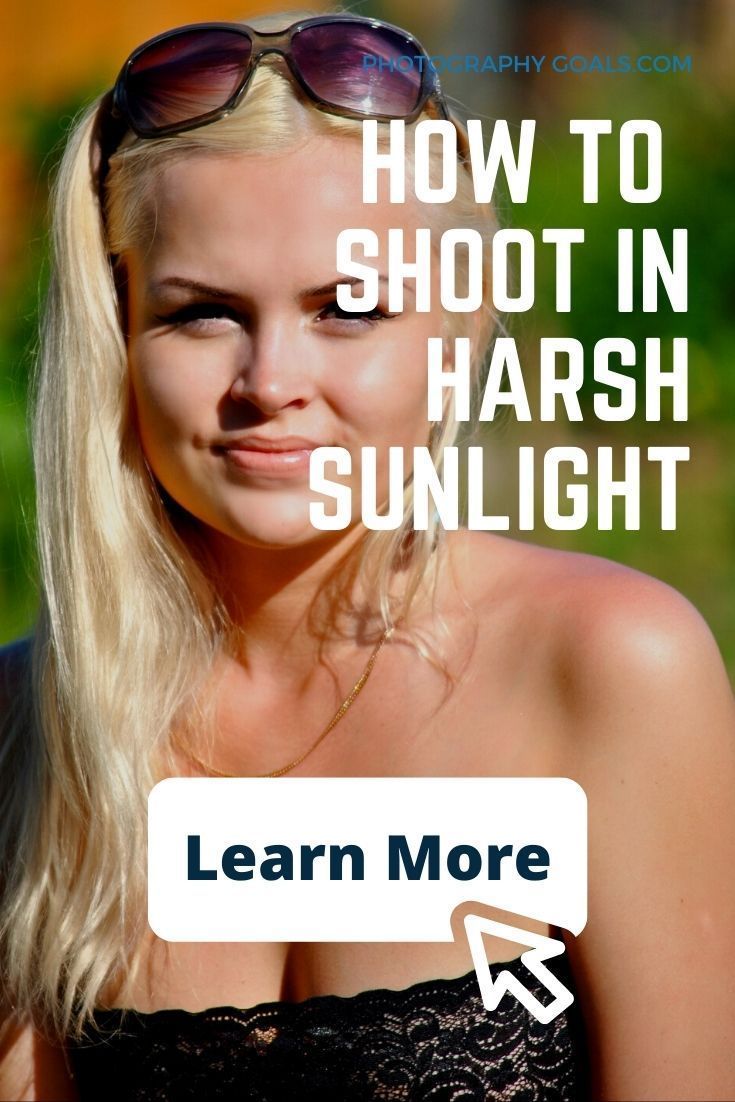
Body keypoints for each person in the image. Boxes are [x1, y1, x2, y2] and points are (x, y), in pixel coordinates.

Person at [1, 10, 734, 1101]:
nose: (268, 382)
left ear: (460, 323)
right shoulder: (33, 719)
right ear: (119, 331)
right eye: (202, 314)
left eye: (349, 308)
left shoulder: (612, 665)